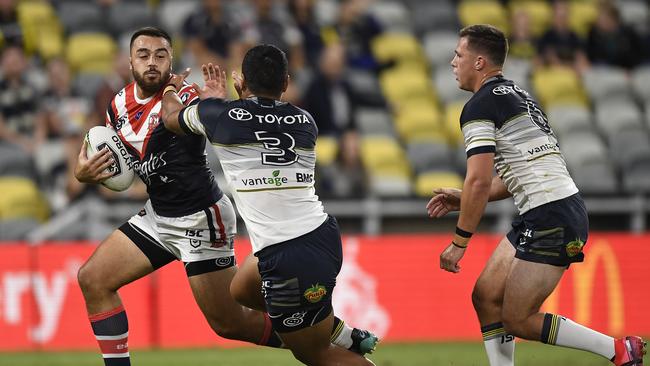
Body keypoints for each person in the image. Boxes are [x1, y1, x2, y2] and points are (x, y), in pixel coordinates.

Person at [74, 27, 376, 366]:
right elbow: (122, 164)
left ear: (171, 60)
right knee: (93, 279)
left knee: (229, 323)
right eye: (143, 55)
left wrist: (211, 98)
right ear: (129, 61)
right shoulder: (118, 105)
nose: (152, 62)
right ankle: (326, 333)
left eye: (161, 55)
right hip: (158, 215)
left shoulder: (188, 95)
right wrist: (86, 174)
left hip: (199, 218)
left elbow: (212, 119)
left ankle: (326, 336)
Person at [427, 24, 646, 366]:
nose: (453, 62)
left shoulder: (479, 107)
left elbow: (480, 182)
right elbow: (513, 176)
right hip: (548, 210)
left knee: (518, 318)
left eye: (459, 55)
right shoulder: (517, 95)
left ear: (480, 62)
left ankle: (617, 350)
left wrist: (459, 242)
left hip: (552, 216)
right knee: (485, 296)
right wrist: (463, 197)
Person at [160, 44, 376, 365]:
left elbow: (169, 119)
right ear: (286, 83)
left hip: (289, 254)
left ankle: (332, 334)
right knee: (240, 290)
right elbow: (261, 121)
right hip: (319, 236)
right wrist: (230, 101)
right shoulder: (305, 121)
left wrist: (171, 89)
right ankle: (335, 329)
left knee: (317, 356)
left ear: (241, 80)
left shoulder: (219, 117)